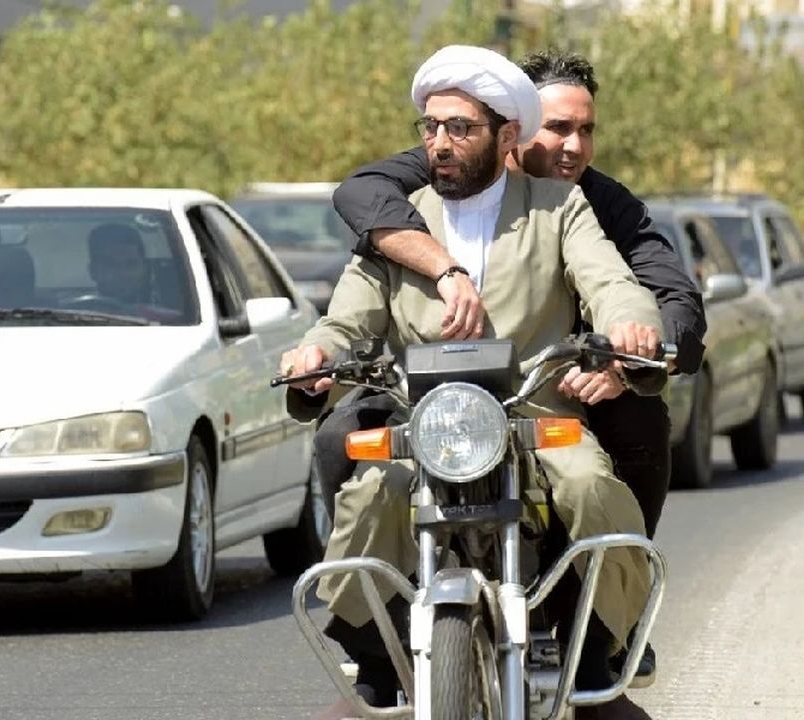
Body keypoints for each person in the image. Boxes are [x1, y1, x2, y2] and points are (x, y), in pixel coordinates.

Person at [281, 45, 664, 720]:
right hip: (424, 425)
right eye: (431, 126)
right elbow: (346, 317)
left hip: (536, 420)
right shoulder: (401, 222)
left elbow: (610, 281)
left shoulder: (557, 207)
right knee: (370, 495)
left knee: (589, 486)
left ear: (506, 135)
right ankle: (377, 661)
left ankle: (595, 655)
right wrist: (317, 353)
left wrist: (629, 327)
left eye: (460, 127)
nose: (440, 142)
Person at [87, 223, 153, 305]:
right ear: (93, 271)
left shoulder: (163, 312)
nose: (122, 273)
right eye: (110, 265)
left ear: (145, 269)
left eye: (131, 265)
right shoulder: (75, 312)